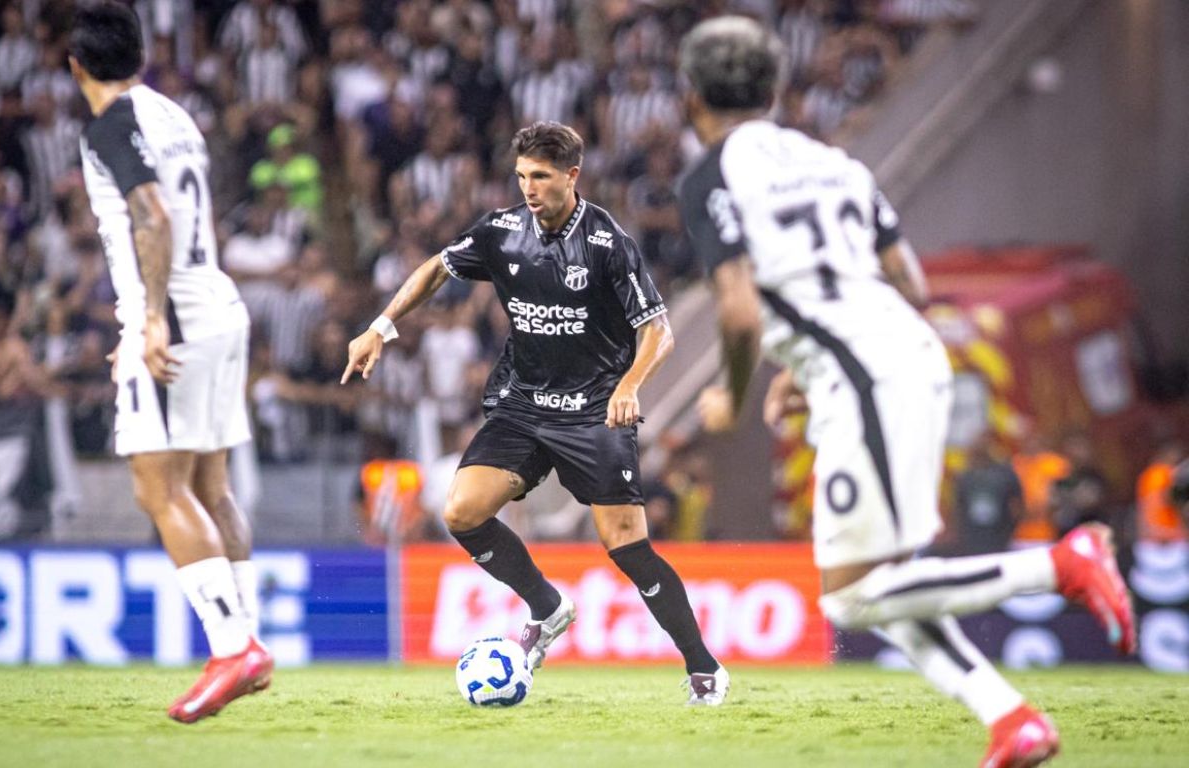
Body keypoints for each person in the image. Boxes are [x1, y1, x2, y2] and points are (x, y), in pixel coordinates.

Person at [677, 16, 1135, 766]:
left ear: (691, 97)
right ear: (775, 88)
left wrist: (732, 395)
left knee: (850, 597)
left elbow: (736, 302)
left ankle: (1063, 563)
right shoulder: (839, 165)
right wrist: (810, 357)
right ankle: (1011, 717)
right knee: (880, 585)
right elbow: (909, 280)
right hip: (892, 356)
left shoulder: (710, 175)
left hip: (865, 377)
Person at [342, 121, 728, 705]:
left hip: (595, 410)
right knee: (462, 510)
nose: (528, 187)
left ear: (571, 176)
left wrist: (629, 385)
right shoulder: (501, 232)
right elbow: (436, 269)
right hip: (523, 405)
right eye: (521, 175)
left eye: (540, 177)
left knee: (625, 545)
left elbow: (658, 330)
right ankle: (547, 608)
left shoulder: (606, 241)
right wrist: (380, 327)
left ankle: (703, 667)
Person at [69, 2, 270, 724]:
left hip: (176, 318)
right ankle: (245, 640)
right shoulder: (175, 116)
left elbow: (151, 214)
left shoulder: (111, 123)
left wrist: (150, 318)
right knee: (211, 485)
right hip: (218, 305)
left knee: (160, 490)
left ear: (76, 67)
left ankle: (232, 649)